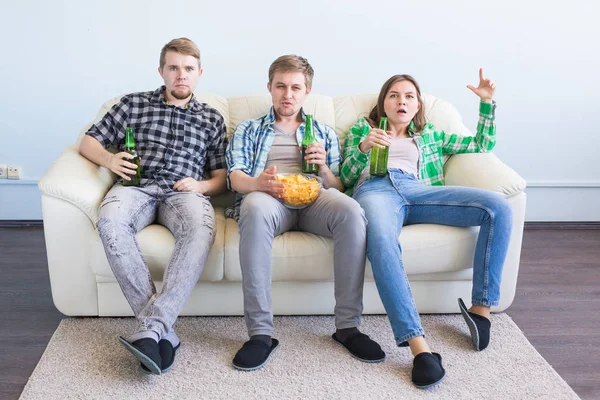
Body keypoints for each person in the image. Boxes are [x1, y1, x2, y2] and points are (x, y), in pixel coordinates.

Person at [340, 69, 512, 388]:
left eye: (409, 96)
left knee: (497, 207)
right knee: (380, 239)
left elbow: (481, 144)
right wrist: (364, 146)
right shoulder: (362, 129)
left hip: (419, 190)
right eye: (394, 95)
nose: (401, 101)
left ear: (418, 105)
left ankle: (481, 309)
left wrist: (487, 103)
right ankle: (420, 350)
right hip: (375, 189)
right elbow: (346, 177)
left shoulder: (431, 134)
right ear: (383, 104)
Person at [78, 38, 228, 375]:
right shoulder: (132, 104)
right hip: (136, 187)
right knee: (110, 221)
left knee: (201, 229)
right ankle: (163, 333)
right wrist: (110, 159)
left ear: (199, 73)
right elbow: (88, 141)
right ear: (161, 70)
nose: (181, 75)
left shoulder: (211, 119)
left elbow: (222, 178)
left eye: (188, 69)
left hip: (184, 192)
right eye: (173, 67)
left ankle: (152, 330)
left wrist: (201, 185)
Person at [226, 55, 385, 371]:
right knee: (253, 207)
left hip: (314, 198)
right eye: (281, 86)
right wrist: (259, 183)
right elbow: (234, 176)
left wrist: (324, 166)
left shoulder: (322, 132)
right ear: (269, 88)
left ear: (306, 91)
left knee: (353, 212)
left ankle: (348, 328)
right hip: (269, 197)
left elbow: (337, 185)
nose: (288, 95)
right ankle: (260, 334)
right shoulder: (249, 129)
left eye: (295, 88)